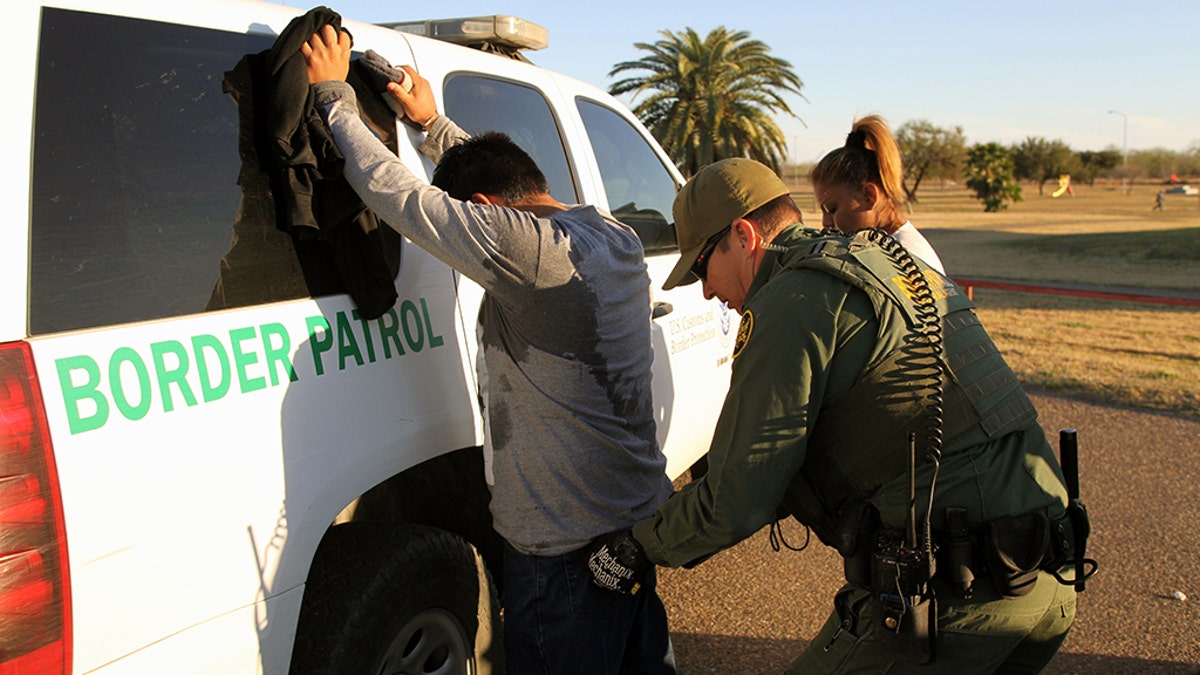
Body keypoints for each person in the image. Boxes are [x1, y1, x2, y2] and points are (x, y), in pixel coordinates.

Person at [587, 157, 1089, 673]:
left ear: (742, 236)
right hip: (1047, 577)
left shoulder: (791, 301)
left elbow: (736, 500)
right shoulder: (883, 258)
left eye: (700, 268)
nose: (708, 290)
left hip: (959, 599)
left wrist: (633, 547)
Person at [301, 25, 676, 674]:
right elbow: (498, 179)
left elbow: (400, 195)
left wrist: (334, 97)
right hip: (631, 532)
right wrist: (434, 125)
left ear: (482, 210)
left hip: (562, 554)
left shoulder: (525, 250)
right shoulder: (606, 234)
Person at [810, 115, 946, 274]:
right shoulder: (876, 249)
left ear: (868, 196)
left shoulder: (905, 258)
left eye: (832, 209)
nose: (825, 223)